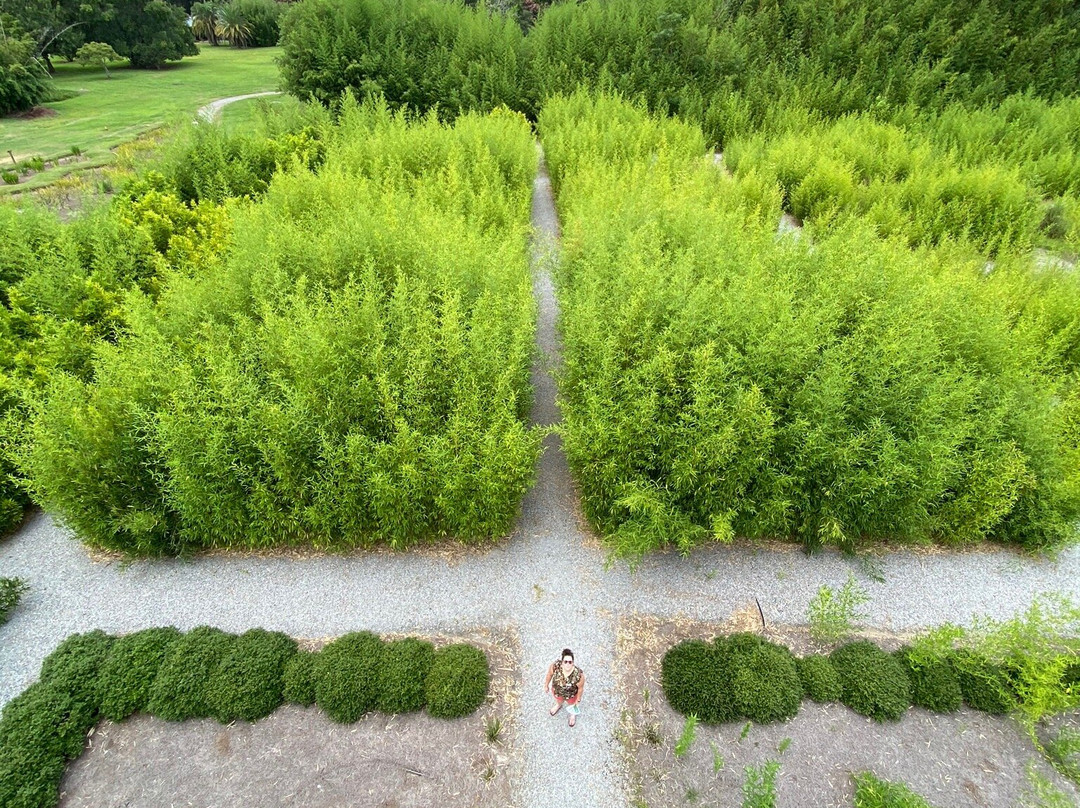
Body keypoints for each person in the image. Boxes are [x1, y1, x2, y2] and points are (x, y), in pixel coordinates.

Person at [544, 648, 585, 727]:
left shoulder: (578, 675)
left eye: (570, 662)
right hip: (557, 691)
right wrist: (546, 685)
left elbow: (580, 688)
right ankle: (559, 705)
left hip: (571, 695)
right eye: (565, 661)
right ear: (562, 662)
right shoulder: (555, 666)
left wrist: (578, 698)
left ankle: (573, 714)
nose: (568, 664)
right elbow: (549, 674)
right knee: (559, 700)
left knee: (572, 705)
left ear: (573, 663)